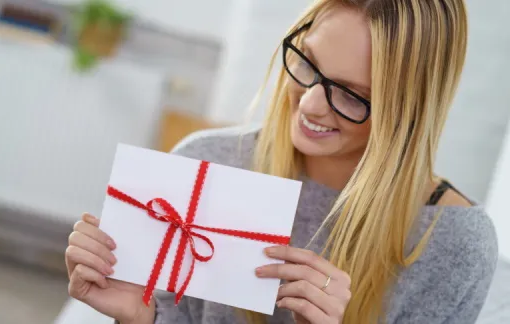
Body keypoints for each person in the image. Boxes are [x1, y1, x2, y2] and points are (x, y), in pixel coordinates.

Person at [64, 0, 499, 323]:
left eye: (352, 95)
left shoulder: (456, 244)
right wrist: (142, 319)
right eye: (307, 63)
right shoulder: (205, 162)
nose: (309, 104)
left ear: (412, 109)